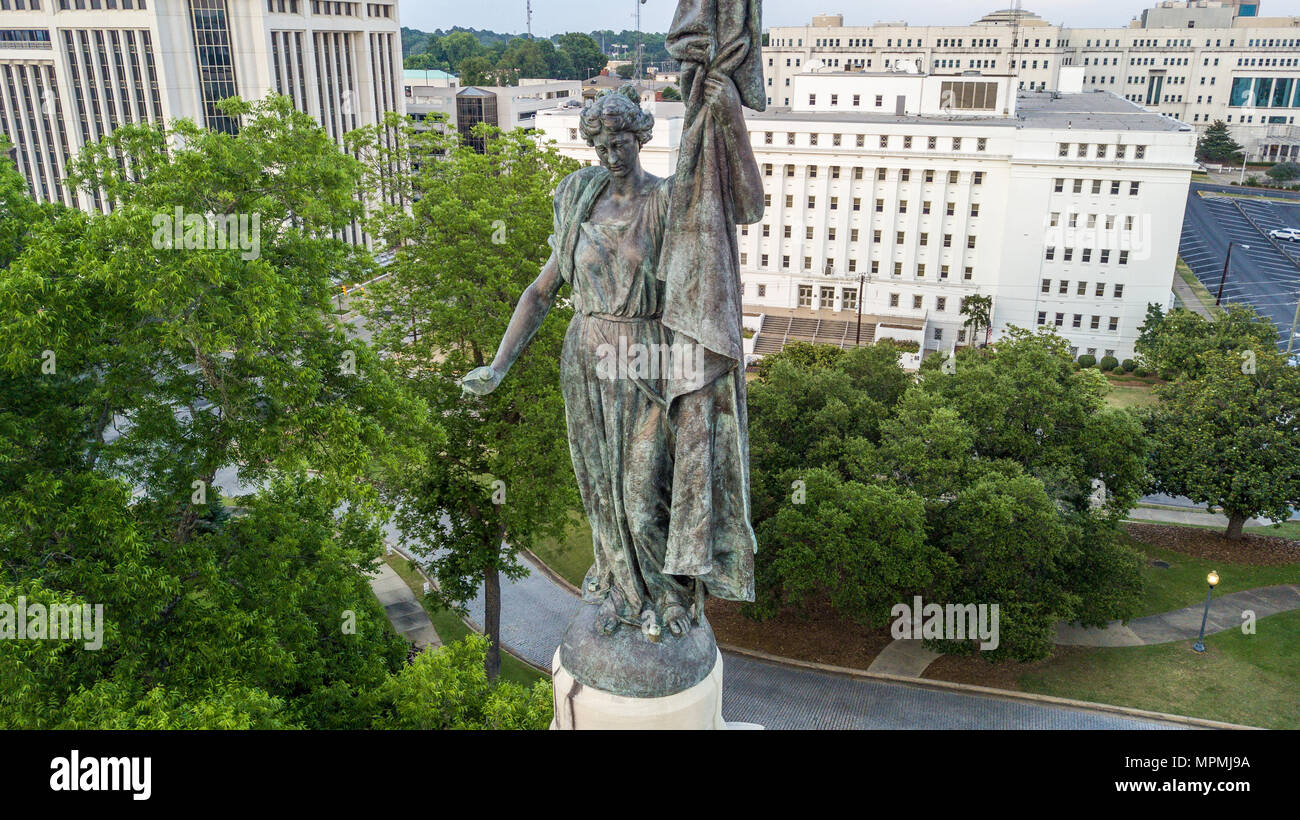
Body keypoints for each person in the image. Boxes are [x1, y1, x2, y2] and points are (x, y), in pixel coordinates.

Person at [461, 78, 761, 642]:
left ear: (640, 137)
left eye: (619, 142)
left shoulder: (670, 199)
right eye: (599, 145)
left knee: (644, 493)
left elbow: (748, 205)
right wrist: (498, 366)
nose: (609, 154)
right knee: (600, 493)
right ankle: (625, 595)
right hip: (586, 360)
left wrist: (729, 118)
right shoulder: (577, 195)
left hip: (646, 363)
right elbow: (542, 291)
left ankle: (670, 599)